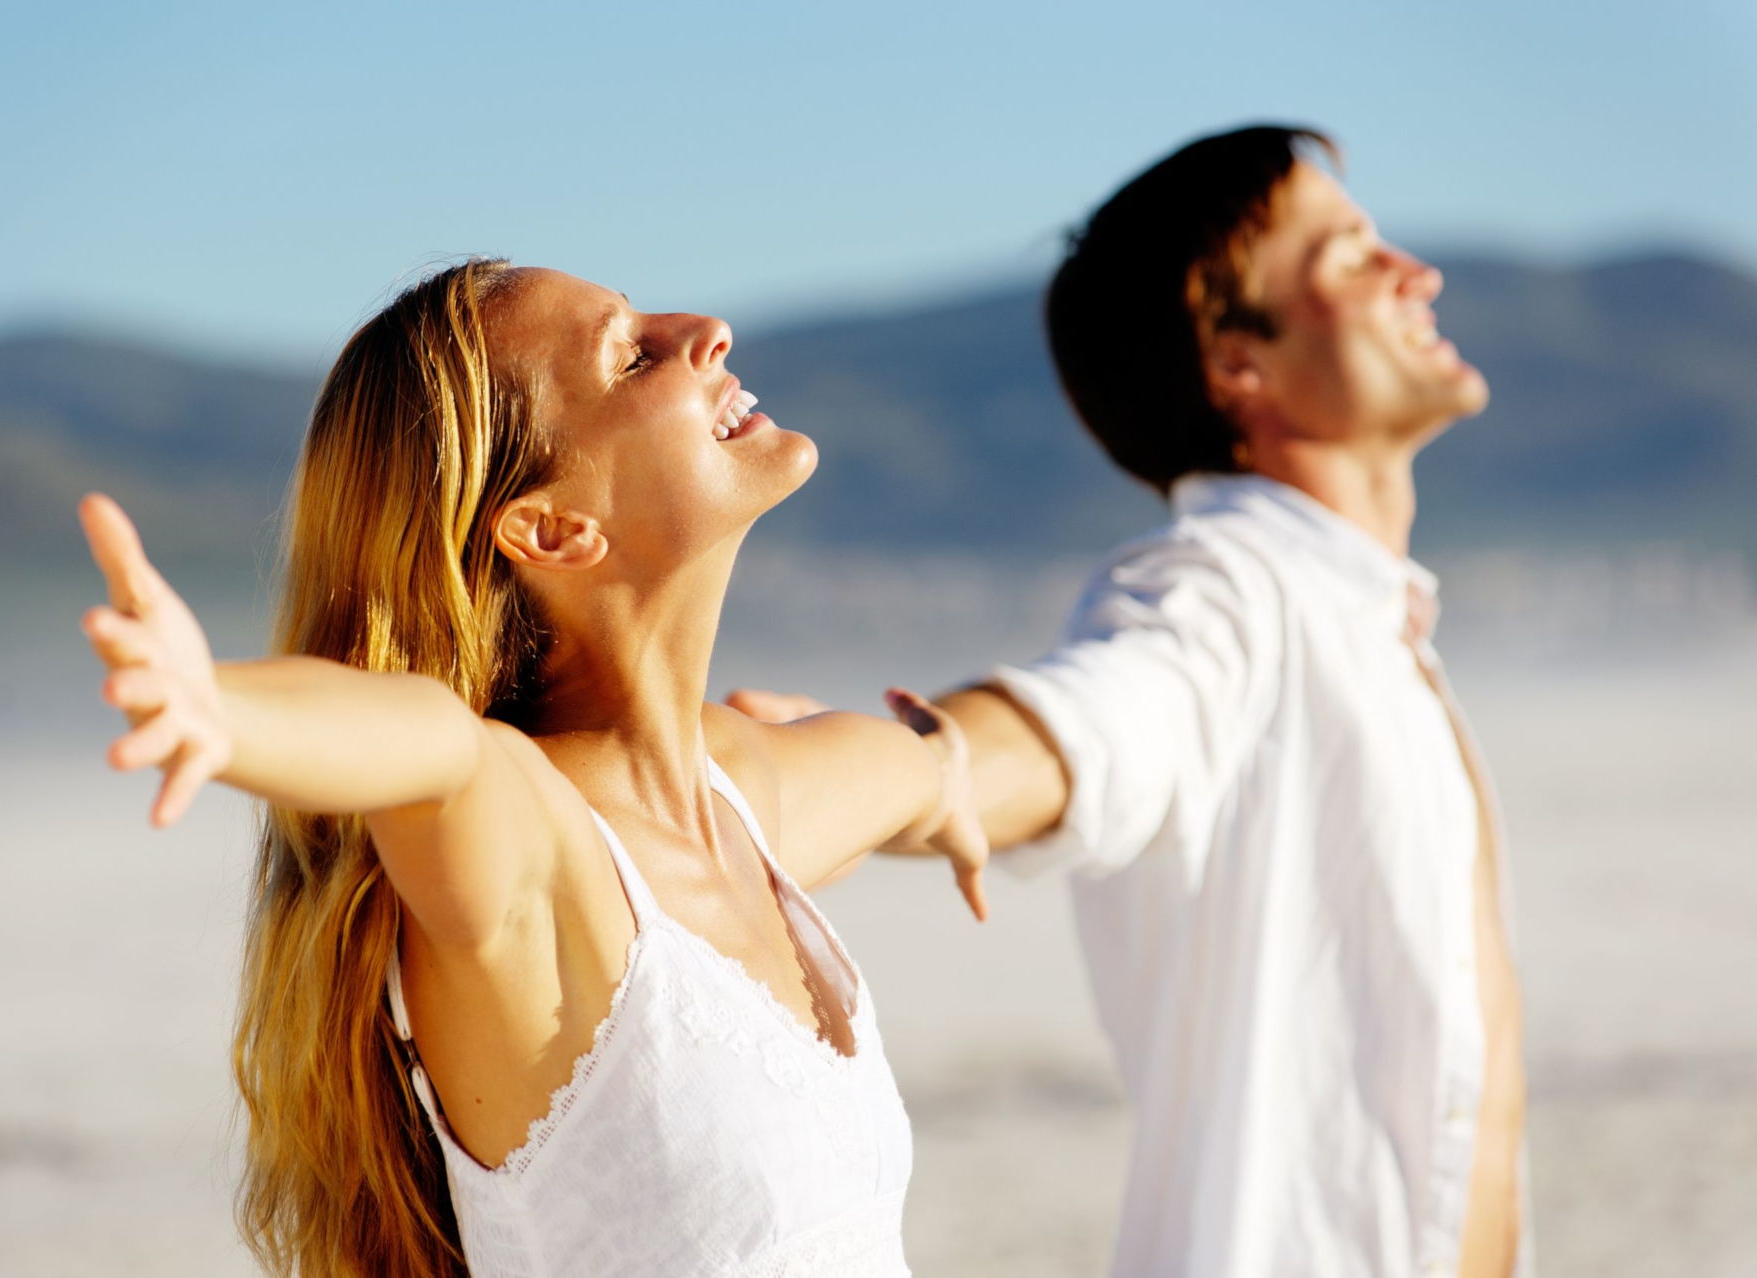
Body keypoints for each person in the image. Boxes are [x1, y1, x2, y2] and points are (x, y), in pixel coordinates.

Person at [77, 259, 988, 1278]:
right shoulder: (545, 855)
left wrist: (947, 772)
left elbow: (907, 771)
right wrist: (223, 707)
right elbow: (434, 753)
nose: (709, 329)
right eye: (633, 354)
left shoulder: (735, 795)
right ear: (553, 528)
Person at [733, 125, 1529, 1278]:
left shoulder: (1373, 626)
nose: (1420, 271)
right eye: (1351, 258)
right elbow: (1089, 727)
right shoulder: (1228, 594)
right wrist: (914, 770)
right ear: (1233, 358)